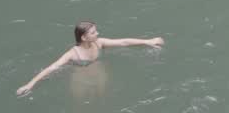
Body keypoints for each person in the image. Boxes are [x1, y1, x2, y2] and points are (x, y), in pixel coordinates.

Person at [16, 21, 164, 96]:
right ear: (84, 37)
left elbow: (123, 42)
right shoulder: (73, 54)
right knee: (81, 101)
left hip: (98, 70)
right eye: (93, 32)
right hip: (80, 74)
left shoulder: (99, 43)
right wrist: (30, 84)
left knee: (102, 93)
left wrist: (148, 41)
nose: (97, 33)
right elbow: (51, 68)